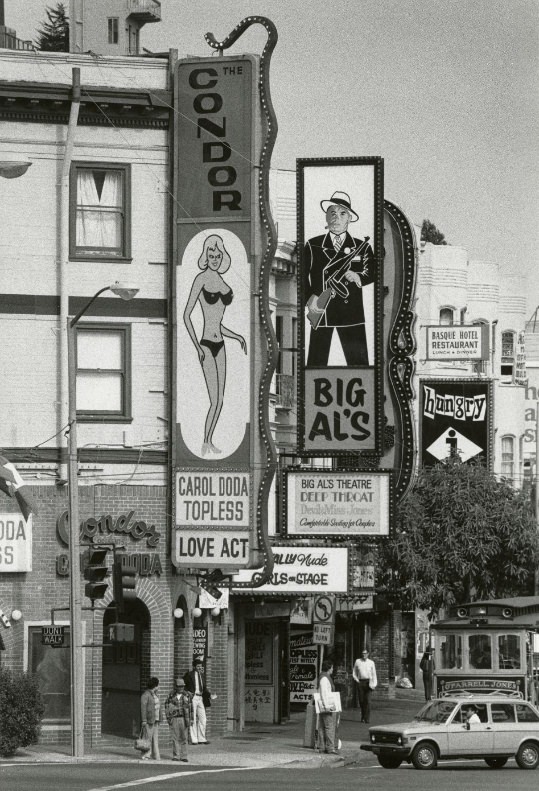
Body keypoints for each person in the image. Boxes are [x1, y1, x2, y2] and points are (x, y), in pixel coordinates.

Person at [183, 233, 247, 456]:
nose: (215, 258)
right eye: (211, 254)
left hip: (221, 344)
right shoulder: (200, 279)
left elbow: (218, 324)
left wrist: (237, 336)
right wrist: (197, 347)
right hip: (206, 345)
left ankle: (209, 441)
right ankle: (204, 441)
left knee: (221, 400)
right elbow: (186, 315)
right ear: (205, 256)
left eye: (218, 254)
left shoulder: (223, 282)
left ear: (223, 256)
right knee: (214, 399)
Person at [303, 190, 375, 366]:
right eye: (332, 213)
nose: (336, 217)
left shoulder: (361, 246)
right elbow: (302, 277)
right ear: (326, 217)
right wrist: (310, 300)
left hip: (351, 314)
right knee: (315, 366)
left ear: (349, 218)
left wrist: (358, 276)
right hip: (321, 311)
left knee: (359, 366)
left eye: (342, 213)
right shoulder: (313, 245)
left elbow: (374, 272)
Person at [183, 658, 212, 745]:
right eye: (198, 666)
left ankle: (202, 738)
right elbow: (183, 685)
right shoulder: (189, 675)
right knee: (193, 718)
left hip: (200, 698)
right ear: (194, 666)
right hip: (193, 697)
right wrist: (187, 692)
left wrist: (210, 695)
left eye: (201, 666)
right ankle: (194, 739)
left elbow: (204, 688)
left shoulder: (202, 675)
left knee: (203, 719)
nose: (200, 667)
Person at [165, 677, 192, 762]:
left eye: (182, 686)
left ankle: (184, 756)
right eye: (179, 686)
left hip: (184, 718)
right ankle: (176, 755)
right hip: (175, 718)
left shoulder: (187, 695)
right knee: (175, 737)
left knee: (184, 738)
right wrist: (169, 718)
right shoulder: (171, 695)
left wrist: (191, 719)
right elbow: (166, 706)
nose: (181, 688)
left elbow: (191, 708)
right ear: (176, 687)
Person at [317, 659, 338, 754]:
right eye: (332, 667)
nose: (333, 669)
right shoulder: (325, 679)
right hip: (326, 705)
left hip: (323, 705)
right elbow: (324, 693)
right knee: (329, 726)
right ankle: (330, 747)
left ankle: (322, 747)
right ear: (329, 668)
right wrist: (326, 706)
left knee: (322, 726)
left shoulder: (323, 677)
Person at [352, 648, 377, 723]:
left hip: (368, 682)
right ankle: (363, 716)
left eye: (365, 653)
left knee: (368, 701)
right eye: (363, 653)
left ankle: (367, 718)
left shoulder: (371, 662)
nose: (364, 655)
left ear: (368, 654)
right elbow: (354, 672)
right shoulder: (357, 661)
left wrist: (374, 684)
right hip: (361, 682)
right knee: (362, 701)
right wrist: (357, 680)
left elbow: (374, 674)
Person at [140, 676, 161, 761]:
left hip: (155, 719)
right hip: (149, 720)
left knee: (155, 738)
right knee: (147, 738)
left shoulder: (154, 694)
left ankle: (156, 755)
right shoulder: (146, 695)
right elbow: (143, 708)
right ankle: (146, 755)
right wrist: (144, 720)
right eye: (158, 685)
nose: (158, 687)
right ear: (155, 686)